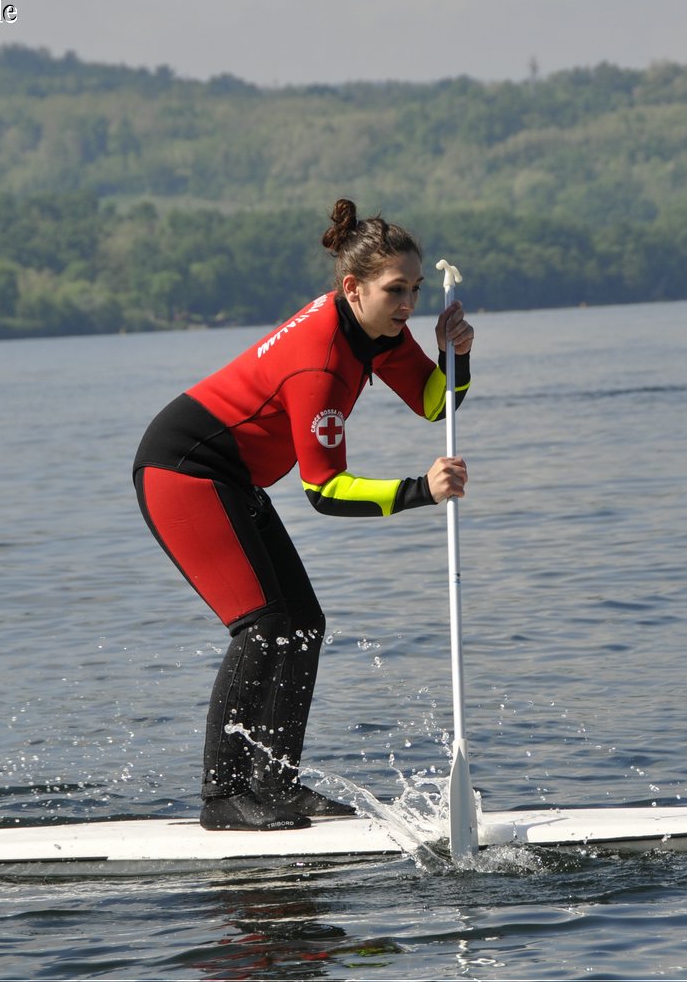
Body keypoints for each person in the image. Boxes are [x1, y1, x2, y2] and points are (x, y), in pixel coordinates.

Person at [133, 198, 475, 831]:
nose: (408, 305)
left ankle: (275, 784)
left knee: (303, 624)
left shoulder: (378, 333)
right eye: (396, 291)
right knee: (262, 625)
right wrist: (419, 491)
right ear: (353, 288)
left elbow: (436, 405)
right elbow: (323, 491)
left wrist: (456, 353)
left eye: (416, 290)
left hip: (233, 479)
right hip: (183, 471)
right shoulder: (319, 357)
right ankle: (222, 798)